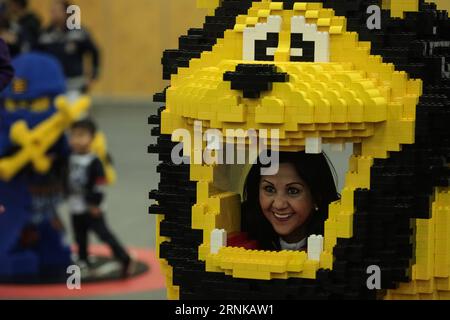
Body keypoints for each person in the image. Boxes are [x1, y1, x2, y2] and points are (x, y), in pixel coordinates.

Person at [67, 119, 132, 277]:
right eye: (73, 135)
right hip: (75, 206)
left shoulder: (94, 161)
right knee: (79, 235)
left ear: (92, 138)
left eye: (81, 135)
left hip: (92, 208)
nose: (76, 140)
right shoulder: (69, 158)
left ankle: (124, 258)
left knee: (103, 233)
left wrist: (94, 203)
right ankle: (83, 260)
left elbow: (99, 184)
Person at [241, 151, 340, 251]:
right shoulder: (239, 230)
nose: (279, 205)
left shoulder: (342, 242)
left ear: (317, 197)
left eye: (293, 191)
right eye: (269, 189)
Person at [38, 0, 99, 100]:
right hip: (51, 85)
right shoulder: (45, 34)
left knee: (75, 113)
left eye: (56, 11)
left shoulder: (79, 32)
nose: (53, 14)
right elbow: (38, 57)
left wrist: (93, 76)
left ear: (66, 12)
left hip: (75, 84)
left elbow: (94, 52)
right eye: (52, 11)